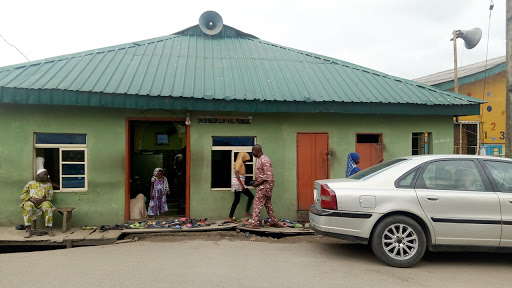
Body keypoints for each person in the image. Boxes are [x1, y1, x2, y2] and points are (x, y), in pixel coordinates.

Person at [250, 144, 280, 229]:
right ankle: (273, 221)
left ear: (255, 151)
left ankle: (255, 223)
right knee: (267, 204)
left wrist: (257, 184)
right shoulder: (261, 159)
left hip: (265, 186)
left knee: (257, 203)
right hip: (265, 186)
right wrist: (256, 181)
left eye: (252, 152)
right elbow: (263, 175)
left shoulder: (264, 160)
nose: (252, 154)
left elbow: (268, 176)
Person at [20, 169, 56, 238]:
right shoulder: (30, 183)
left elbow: (51, 197)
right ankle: (29, 231)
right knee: (27, 207)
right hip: (31, 201)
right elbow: (22, 195)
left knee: (48, 207)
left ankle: (49, 230)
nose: (46, 176)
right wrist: (31, 199)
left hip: (43, 202)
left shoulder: (48, 185)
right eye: (44, 174)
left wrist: (43, 200)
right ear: (38, 175)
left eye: (46, 175)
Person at [227, 152, 254, 222]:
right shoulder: (239, 163)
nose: (246, 161)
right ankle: (247, 212)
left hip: (236, 183)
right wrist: (241, 185)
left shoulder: (238, 162)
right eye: (246, 159)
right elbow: (236, 172)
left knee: (236, 200)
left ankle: (230, 217)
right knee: (251, 196)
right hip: (238, 184)